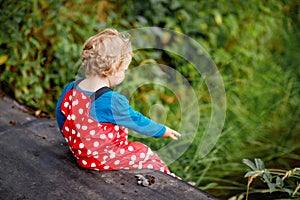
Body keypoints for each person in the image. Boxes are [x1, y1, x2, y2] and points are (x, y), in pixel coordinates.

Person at [55, 28, 181, 177]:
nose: (124, 74)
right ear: (113, 68)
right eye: (124, 70)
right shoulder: (111, 101)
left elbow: (60, 114)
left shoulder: (71, 88)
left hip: (79, 151)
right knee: (145, 153)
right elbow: (137, 121)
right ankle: (170, 179)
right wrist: (162, 130)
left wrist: (74, 141)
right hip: (100, 157)